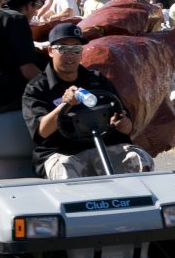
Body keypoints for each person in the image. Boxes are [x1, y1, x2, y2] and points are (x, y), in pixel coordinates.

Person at [22, 23, 153, 179]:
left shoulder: (97, 80)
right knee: (68, 173)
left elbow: (127, 126)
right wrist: (65, 105)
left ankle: (131, 202)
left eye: (76, 50)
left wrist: (122, 123)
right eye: (63, 49)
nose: (70, 55)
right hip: (62, 153)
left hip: (102, 147)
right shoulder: (37, 88)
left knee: (140, 159)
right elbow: (41, 131)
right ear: (51, 51)